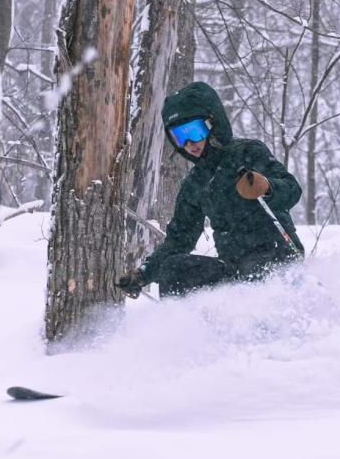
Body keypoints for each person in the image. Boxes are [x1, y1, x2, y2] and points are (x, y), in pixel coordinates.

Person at [117, 81, 305, 298]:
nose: (189, 143)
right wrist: (143, 275)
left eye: (194, 132)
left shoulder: (247, 152)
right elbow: (179, 239)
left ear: (212, 123)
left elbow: (292, 190)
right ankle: (180, 328)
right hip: (235, 271)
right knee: (173, 268)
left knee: (254, 270)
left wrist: (267, 187)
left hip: (277, 259)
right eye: (180, 136)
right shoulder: (195, 184)